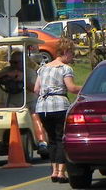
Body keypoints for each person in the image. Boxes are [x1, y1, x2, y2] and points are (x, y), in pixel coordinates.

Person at [34, 37, 82, 182]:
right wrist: (86, 87)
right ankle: (61, 172)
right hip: (59, 105)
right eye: (72, 53)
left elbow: (36, 89)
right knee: (61, 137)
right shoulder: (65, 68)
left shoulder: (42, 68)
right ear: (66, 52)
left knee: (51, 139)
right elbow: (71, 88)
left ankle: (54, 171)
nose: (72, 56)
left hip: (43, 107)